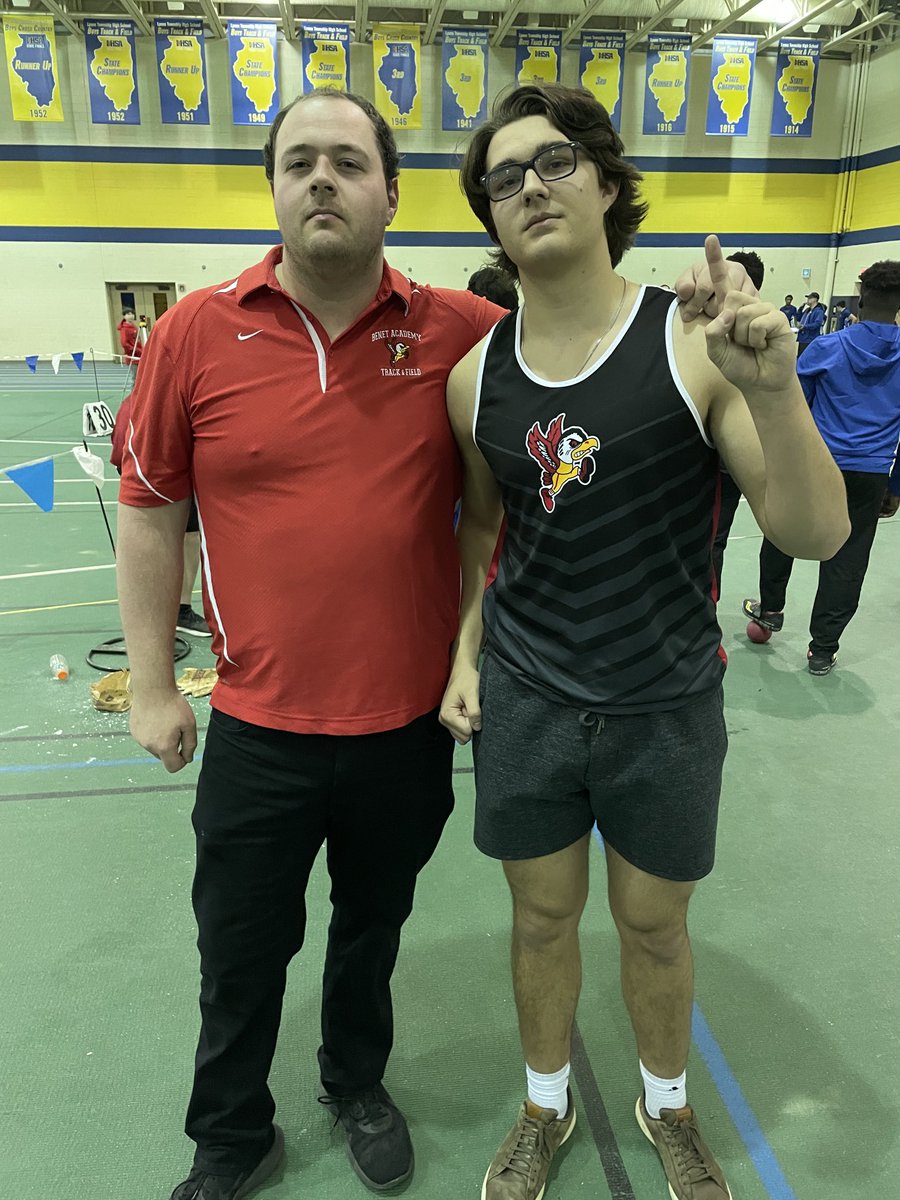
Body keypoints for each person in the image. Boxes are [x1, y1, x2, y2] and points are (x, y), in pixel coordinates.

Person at [115, 84, 749, 1200]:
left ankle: (357, 1084)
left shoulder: (465, 335)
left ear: (391, 196)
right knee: (241, 948)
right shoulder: (193, 332)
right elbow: (151, 504)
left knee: (372, 929)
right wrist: (157, 684)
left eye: (349, 163)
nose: (323, 179)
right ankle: (230, 1135)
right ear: (272, 186)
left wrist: (695, 307)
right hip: (260, 719)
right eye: (299, 160)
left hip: (407, 718)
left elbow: (586, 356)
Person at [441, 84, 849, 1200]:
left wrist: (777, 391)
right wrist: (465, 654)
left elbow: (813, 532)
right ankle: (543, 1104)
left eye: (557, 160)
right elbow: (486, 525)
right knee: (541, 917)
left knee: (654, 928)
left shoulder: (691, 348)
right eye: (504, 175)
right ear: (489, 215)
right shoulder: (478, 375)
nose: (530, 184)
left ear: (610, 183)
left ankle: (666, 1107)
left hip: (663, 704)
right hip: (527, 697)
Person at [743, 260, 900, 675]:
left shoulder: (826, 349)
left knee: (782, 530)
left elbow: (796, 412)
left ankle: (770, 610)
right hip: (870, 471)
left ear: (861, 298)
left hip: (818, 463)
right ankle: (823, 650)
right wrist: (895, 485)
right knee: (849, 555)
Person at [110, 397, 210, 637]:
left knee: (173, 536)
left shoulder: (131, 402)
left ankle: (166, 613)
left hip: (138, 470)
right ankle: (180, 611)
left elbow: (117, 452)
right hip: (155, 473)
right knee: (185, 537)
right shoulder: (167, 399)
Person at [711, 252, 767, 592]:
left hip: (726, 461)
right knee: (713, 539)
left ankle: (708, 605)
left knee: (713, 538)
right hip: (721, 460)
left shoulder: (764, 335)